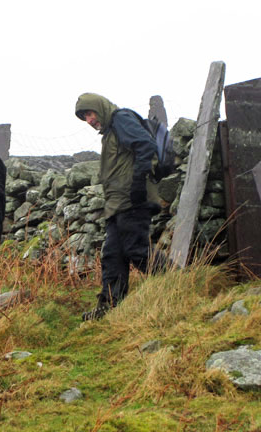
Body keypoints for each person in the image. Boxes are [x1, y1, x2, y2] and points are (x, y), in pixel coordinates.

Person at [75, 93, 167, 321]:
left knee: (136, 249)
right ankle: (108, 306)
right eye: (84, 117)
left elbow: (145, 145)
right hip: (117, 204)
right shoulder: (110, 131)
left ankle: (178, 281)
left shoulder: (121, 119)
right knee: (112, 256)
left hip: (132, 201)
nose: (89, 120)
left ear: (99, 108)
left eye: (89, 113)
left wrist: (138, 184)